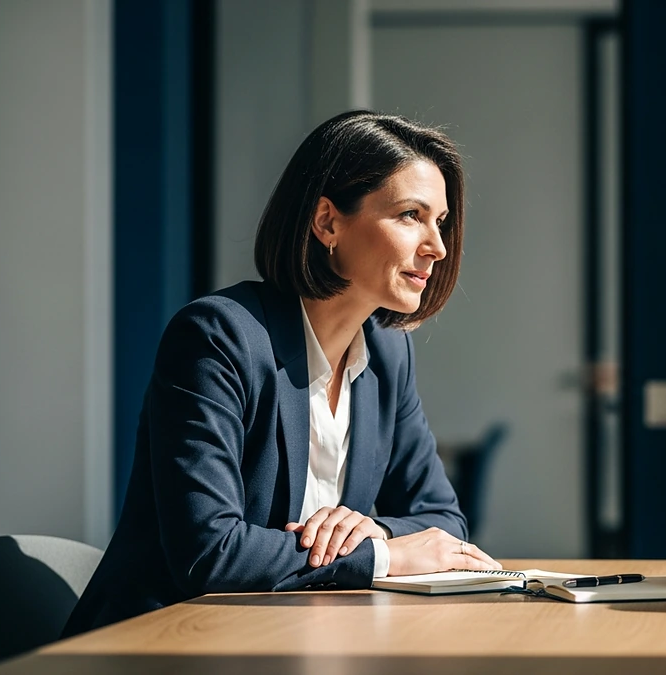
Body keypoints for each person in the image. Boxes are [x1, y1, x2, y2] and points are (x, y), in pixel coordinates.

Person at [65, 111, 502, 636]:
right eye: (411, 215)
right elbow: (210, 552)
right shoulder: (217, 338)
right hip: (164, 642)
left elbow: (442, 521)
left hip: (298, 636)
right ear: (328, 222)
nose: (438, 246)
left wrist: (374, 531)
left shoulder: (388, 354)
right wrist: (383, 556)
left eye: (441, 222)